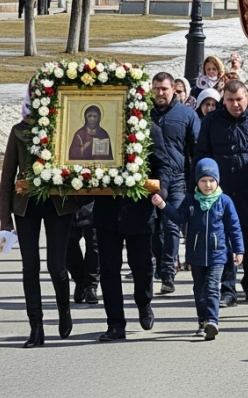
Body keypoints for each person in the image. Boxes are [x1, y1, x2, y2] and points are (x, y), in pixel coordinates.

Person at [0, 95, 81, 347]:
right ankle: (36, 326)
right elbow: (7, 174)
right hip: (26, 206)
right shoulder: (18, 130)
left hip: (57, 204)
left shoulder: (62, 127)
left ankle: (64, 310)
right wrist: (5, 220)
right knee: (30, 267)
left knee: (56, 265)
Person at [151, 158, 244, 340]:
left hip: (218, 254)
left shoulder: (224, 201)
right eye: (203, 181)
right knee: (199, 290)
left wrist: (238, 250)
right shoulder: (191, 200)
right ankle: (202, 321)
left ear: (217, 181)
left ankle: (212, 321)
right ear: (197, 182)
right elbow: (179, 217)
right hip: (196, 254)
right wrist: (163, 205)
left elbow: (234, 227)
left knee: (211, 288)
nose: (208, 185)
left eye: (211, 180)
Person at [195, 80, 248, 304]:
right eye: (230, 100)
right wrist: (199, 186)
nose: (235, 104)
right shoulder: (211, 121)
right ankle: (228, 289)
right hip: (223, 191)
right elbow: (201, 155)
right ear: (223, 100)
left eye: (239, 99)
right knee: (225, 242)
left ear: (247, 97)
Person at [93, 123, 162, 342]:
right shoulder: (101, 132)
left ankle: (144, 302)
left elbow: (163, 166)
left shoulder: (148, 128)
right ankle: (115, 323)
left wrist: (161, 191)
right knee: (109, 270)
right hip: (107, 212)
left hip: (139, 211)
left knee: (142, 267)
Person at [148, 72, 201, 295]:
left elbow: (195, 148)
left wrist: (194, 181)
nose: (160, 93)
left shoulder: (186, 114)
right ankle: (160, 265)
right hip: (149, 179)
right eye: (157, 89)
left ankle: (168, 272)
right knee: (152, 227)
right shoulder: (143, 114)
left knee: (171, 225)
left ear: (174, 89)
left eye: (165, 89)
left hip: (177, 177)